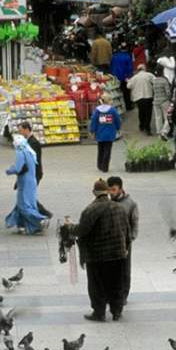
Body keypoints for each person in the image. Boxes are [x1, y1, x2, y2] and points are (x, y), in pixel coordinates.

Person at [70, 179, 130, 322]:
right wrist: (125, 249)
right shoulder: (120, 208)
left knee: (97, 285)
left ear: (94, 193)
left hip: (97, 255)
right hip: (118, 254)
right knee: (116, 283)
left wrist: (70, 228)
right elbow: (127, 231)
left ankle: (99, 312)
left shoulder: (90, 210)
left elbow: (82, 230)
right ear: (107, 192)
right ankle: (116, 311)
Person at [5, 135, 47, 234]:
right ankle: (22, 225)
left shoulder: (21, 152)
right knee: (29, 204)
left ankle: (40, 220)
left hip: (25, 182)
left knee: (24, 205)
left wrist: (9, 170)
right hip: (31, 181)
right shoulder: (29, 150)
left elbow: (18, 168)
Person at [107, 176, 138, 305]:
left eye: (114, 190)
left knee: (124, 269)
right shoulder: (106, 203)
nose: (111, 193)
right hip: (109, 241)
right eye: (109, 190)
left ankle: (123, 295)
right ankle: (111, 294)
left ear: (121, 189)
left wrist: (130, 238)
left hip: (124, 242)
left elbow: (134, 223)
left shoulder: (130, 204)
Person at [18, 121, 52, 219]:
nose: (20, 133)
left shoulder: (33, 142)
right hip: (30, 174)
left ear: (26, 129)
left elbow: (30, 161)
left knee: (28, 196)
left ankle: (43, 213)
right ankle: (38, 214)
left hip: (34, 174)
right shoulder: (28, 141)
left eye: (21, 130)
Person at [90, 94, 122, 172]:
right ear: (108, 101)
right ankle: (105, 167)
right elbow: (117, 120)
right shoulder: (112, 110)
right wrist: (118, 128)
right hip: (110, 133)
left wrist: (92, 131)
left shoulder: (97, 111)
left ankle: (99, 165)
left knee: (100, 150)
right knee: (107, 150)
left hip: (100, 133)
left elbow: (93, 121)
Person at [127, 64, 156, 133]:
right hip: (148, 96)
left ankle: (142, 125)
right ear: (144, 69)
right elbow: (155, 81)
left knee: (141, 112)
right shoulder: (149, 75)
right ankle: (147, 127)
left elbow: (128, 86)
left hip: (139, 98)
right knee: (148, 113)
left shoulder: (134, 77)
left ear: (137, 70)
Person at [111, 43, 134, 111]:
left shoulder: (114, 56)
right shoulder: (127, 57)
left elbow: (112, 66)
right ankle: (128, 106)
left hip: (115, 77)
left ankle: (118, 108)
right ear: (126, 49)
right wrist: (129, 76)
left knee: (116, 93)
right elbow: (129, 68)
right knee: (126, 93)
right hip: (124, 77)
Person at [151, 65, 171, 137]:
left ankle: (159, 131)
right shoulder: (164, 80)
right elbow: (168, 92)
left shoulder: (153, 80)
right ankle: (164, 131)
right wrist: (170, 99)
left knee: (158, 117)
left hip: (156, 101)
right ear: (162, 71)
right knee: (167, 117)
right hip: (164, 101)